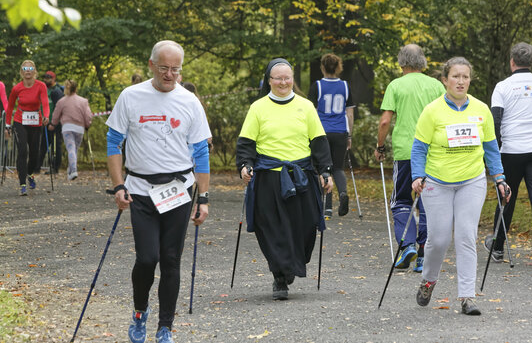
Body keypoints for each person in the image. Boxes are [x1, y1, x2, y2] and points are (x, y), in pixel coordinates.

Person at [106, 40, 211, 343]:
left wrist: (202, 199)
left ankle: (165, 327)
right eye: (164, 68)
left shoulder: (189, 101)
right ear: (151, 65)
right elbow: (114, 143)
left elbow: (201, 153)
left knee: (171, 259)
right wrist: (119, 185)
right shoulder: (131, 97)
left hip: (179, 189)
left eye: (175, 70)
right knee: (147, 258)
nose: (169, 74)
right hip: (140, 189)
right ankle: (140, 312)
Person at [410, 56, 510, 316]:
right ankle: (429, 281)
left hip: (471, 181)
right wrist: (417, 175)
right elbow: (419, 148)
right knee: (439, 239)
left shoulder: (481, 109)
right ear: (445, 80)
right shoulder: (432, 110)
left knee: (466, 237)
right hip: (437, 182)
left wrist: (499, 177)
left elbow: (490, 148)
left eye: (465, 76)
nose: (461, 81)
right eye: (456, 76)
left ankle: (467, 296)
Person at [236, 58, 333, 300]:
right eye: (277, 78)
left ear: (292, 79)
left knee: (307, 225)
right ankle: (280, 275)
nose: (283, 82)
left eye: (287, 77)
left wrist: (325, 170)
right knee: (271, 228)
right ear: (269, 80)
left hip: (301, 177)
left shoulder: (306, 106)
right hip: (269, 178)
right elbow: (246, 142)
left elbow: (319, 141)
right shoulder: (258, 107)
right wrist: (245, 165)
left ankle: (291, 264)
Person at [485, 42, 532, 271]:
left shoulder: (502, 87)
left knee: (506, 195)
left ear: (511, 61)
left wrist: (494, 150)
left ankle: (498, 247)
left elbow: (495, 121)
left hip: (511, 150)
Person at [374, 44, 445, 272]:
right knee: (428, 202)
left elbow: (385, 121)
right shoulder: (436, 85)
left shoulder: (396, 85)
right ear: (423, 61)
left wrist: (380, 146)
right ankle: (424, 253)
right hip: (432, 152)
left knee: (402, 200)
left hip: (406, 150)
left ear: (401, 62)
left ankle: (407, 245)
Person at [308, 53, 355, 218]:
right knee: (337, 168)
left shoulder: (317, 86)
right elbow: (349, 114)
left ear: (322, 67)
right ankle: (342, 193)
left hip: (321, 132)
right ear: (339, 67)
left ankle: (326, 207)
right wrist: (349, 135)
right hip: (340, 131)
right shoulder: (345, 86)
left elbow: (311, 112)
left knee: (322, 168)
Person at [4, 61, 50, 195]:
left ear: (34, 70)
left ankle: (30, 174)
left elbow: (45, 103)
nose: (27, 70)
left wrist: (46, 116)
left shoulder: (41, 86)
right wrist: (8, 125)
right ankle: (22, 183)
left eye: (30, 68)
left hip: (36, 121)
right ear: (22, 71)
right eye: (25, 68)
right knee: (23, 151)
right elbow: (10, 107)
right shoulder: (17, 88)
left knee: (35, 153)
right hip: (20, 121)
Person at [48, 80, 93, 180]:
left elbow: (56, 114)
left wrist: (53, 124)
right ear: (76, 88)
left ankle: (73, 170)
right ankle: (70, 171)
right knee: (74, 149)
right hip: (79, 128)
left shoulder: (62, 101)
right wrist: (87, 124)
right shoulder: (83, 101)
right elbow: (88, 115)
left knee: (71, 149)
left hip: (67, 128)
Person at [37, 71, 64, 174]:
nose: (46, 79)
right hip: (46, 122)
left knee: (56, 145)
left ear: (53, 79)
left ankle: (55, 167)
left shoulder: (57, 91)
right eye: (45, 77)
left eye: (49, 78)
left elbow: (59, 108)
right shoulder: (45, 90)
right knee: (44, 144)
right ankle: (37, 166)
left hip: (55, 122)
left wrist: (54, 122)